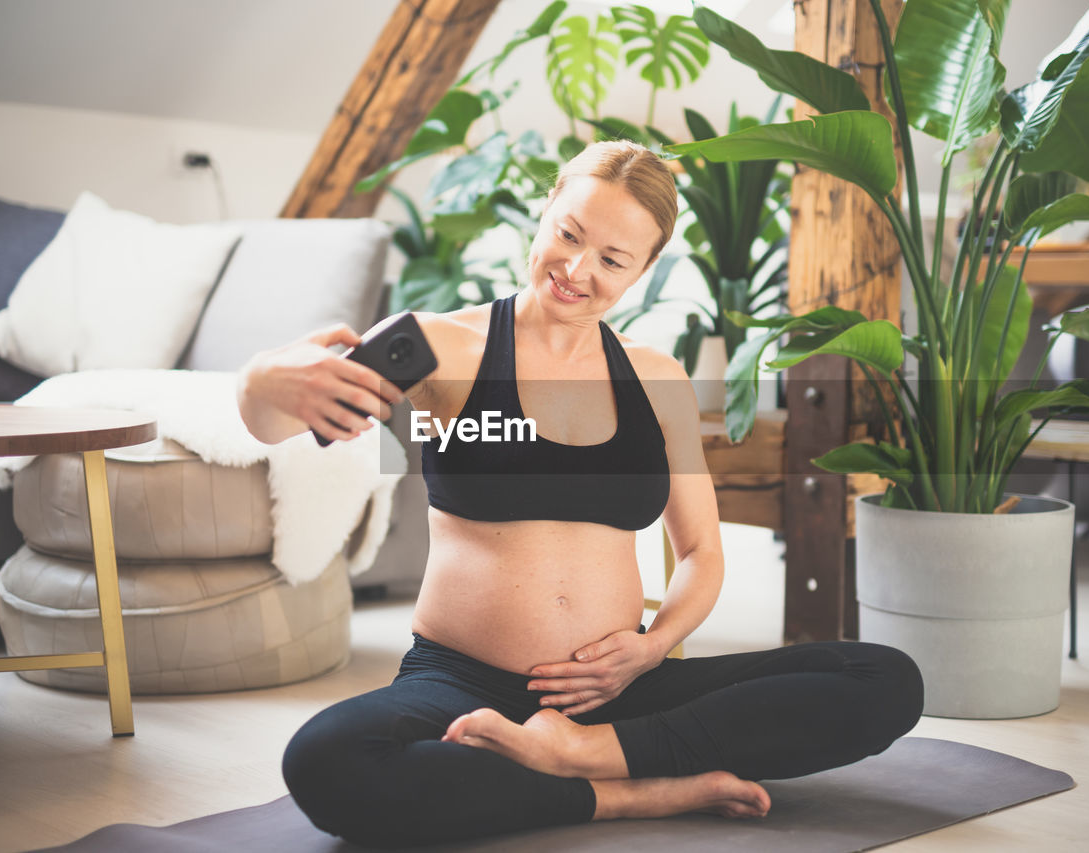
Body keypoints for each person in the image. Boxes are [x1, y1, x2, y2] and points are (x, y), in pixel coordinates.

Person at [237, 140, 923, 848]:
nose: (575, 269)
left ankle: (584, 756)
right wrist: (260, 380)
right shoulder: (444, 348)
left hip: (621, 689)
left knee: (885, 676)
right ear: (546, 213)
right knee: (326, 760)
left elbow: (701, 553)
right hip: (462, 682)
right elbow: (277, 419)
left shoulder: (658, 381)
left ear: (645, 270)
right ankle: (637, 792)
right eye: (568, 234)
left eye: (611, 259)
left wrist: (651, 649)